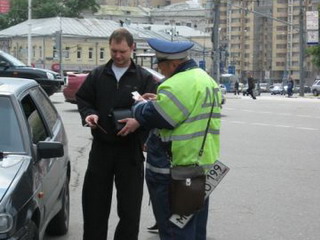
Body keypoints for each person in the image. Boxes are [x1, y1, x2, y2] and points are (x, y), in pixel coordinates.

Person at [119, 38, 222, 240]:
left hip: (174, 171)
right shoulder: (204, 78)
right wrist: (160, 102)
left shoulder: (176, 84)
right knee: (195, 228)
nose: (159, 68)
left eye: (161, 64)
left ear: (173, 64)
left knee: (175, 231)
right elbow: (186, 111)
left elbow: (156, 117)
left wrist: (140, 104)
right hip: (202, 166)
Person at [75, 28, 157, 240]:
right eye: (113, 51)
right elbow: (83, 99)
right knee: (94, 208)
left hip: (130, 151)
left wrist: (138, 122)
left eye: (122, 51)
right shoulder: (98, 75)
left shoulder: (145, 78)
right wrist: (89, 115)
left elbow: (156, 110)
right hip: (101, 149)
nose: (118, 56)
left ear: (132, 48)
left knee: (130, 212)